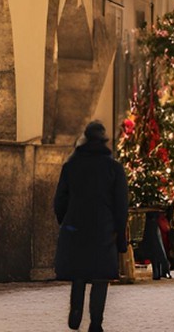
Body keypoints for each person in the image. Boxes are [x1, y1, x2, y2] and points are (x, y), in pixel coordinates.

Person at [53, 121, 129, 332]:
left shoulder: (71, 166)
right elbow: (121, 206)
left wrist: (65, 222)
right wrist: (120, 238)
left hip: (76, 226)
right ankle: (96, 322)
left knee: (79, 273)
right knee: (100, 276)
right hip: (103, 229)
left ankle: (75, 311)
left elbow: (59, 200)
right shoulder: (114, 168)